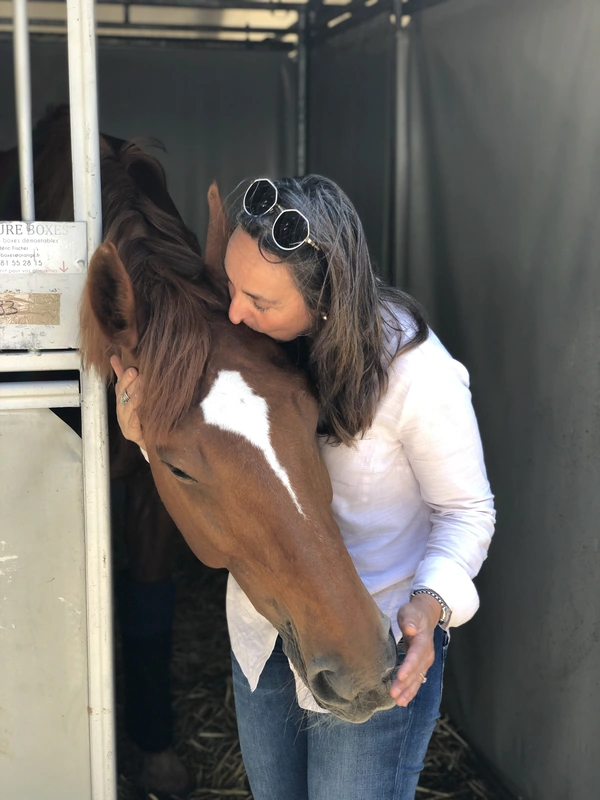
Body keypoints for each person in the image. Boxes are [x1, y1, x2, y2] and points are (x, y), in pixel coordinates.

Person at [111, 175, 495, 800]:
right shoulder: (261, 344)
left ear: (325, 299)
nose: (233, 313)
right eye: (230, 286)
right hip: (264, 640)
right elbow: (220, 452)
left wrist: (429, 608)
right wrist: (145, 434)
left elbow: (467, 510)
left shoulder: (416, 373)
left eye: (258, 301)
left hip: (369, 641)